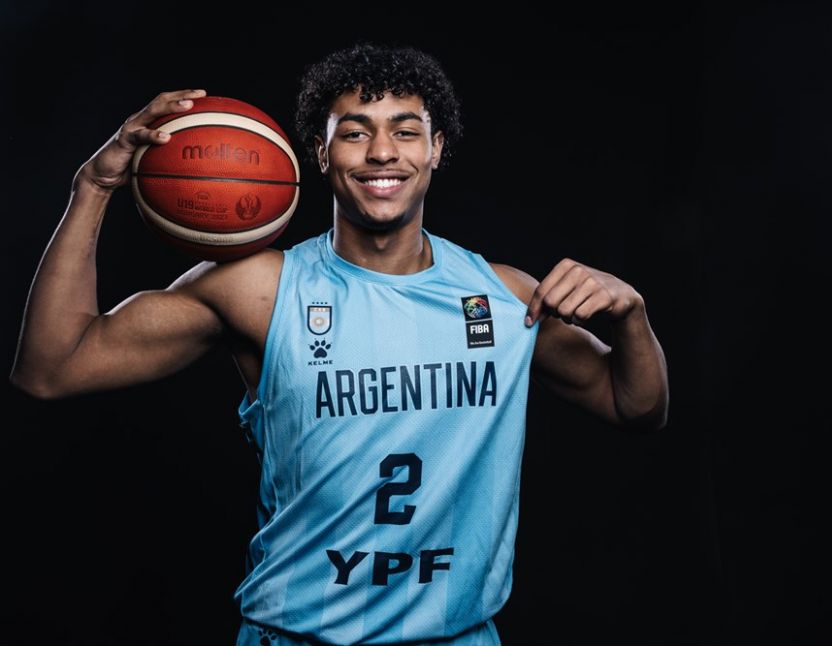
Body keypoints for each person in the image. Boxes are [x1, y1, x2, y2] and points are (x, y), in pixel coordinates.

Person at [9, 42, 669, 646]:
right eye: (354, 133)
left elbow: (636, 406)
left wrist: (632, 319)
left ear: (436, 148)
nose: (382, 153)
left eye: (406, 131)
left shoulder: (501, 298)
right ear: (321, 154)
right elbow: (52, 367)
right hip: (296, 636)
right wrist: (93, 188)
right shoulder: (260, 289)